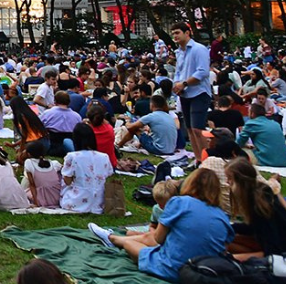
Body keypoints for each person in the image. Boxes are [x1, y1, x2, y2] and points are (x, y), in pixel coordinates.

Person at [91, 169, 233, 282]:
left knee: (133, 245)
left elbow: (158, 239)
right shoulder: (223, 217)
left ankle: (112, 238)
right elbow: (222, 250)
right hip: (204, 273)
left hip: (173, 269)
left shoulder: (180, 203)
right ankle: (112, 238)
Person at [225, 157, 286, 260]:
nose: (227, 182)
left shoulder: (260, 206)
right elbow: (254, 227)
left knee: (225, 249)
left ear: (240, 182)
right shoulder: (259, 193)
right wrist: (228, 227)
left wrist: (232, 258)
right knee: (224, 239)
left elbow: (272, 252)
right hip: (278, 245)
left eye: (230, 179)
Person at [170, 21, 213, 157]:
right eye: (173, 34)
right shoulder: (179, 52)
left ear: (187, 33)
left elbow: (202, 72)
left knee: (197, 129)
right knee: (189, 129)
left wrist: (184, 83)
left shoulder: (199, 49)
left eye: (177, 33)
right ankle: (198, 159)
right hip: (185, 94)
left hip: (199, 92)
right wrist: (176, 84)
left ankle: (209, 160)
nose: (175, 36)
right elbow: (179, 72)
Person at [60, 123, 112, 214]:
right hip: (99, 202)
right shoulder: (104, 156)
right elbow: (108, 174)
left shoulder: (72, 156)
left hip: (77, 202)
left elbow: (67, 181)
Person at [23, 141, 63, 208]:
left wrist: (36, 203)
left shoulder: (29, 163)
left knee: (24, 193)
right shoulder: (54, 163)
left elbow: (32, 185)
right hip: (57, 197)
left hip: (41, 198)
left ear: (29, 154)